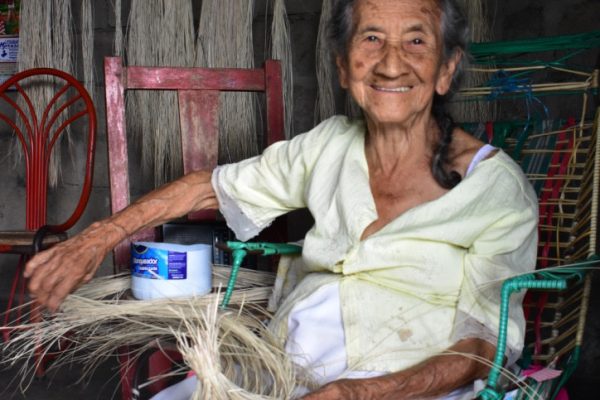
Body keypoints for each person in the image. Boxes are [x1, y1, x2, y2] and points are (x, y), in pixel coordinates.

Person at [24, 0, 538, 398]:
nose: (390, 63)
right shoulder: (329, 144)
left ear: (446, 70)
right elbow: (211, 184)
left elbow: (484, 348)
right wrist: (99, 236)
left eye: (417, 41)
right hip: (283, 366)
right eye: (372, 37)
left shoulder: (494, 191)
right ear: (344, 67)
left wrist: (361, 392)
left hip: (406, 384)